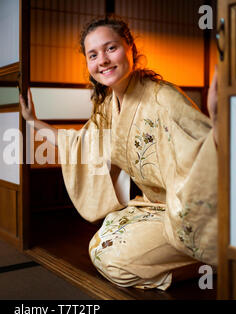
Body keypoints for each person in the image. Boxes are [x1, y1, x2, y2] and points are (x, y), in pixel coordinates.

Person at [20, 16, 218, 290]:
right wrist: (33, 123)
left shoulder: (164, 98)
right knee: (105, 238)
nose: (102, 59)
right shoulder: (107, 105)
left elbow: (208, 149)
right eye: (93, 55)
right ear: (89, 64)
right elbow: (79, 144)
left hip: (182, 210)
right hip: (153, 205)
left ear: (131, 51)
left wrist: (220, 122)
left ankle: (214, 260)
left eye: (110, 48)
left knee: (110, 258)